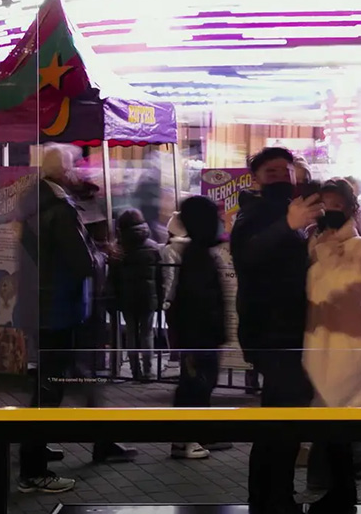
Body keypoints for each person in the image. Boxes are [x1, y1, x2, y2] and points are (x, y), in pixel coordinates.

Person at [17, 144, 136, 495]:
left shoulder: (32, 202)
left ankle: (38, 450)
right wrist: (103, 255)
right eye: (73, 167)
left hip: (42, 304)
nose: (77, 173)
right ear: (63, 172)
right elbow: (81, 262)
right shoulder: (59, 208)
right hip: (59, 307)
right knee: (51, 386)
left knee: (53, 380)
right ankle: (33, 468)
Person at [231, 146, 323, 514]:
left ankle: (273, 495)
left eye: (285, 171)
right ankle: (273, 497)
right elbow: (247, 256)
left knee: (282, 417)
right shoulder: (253, 213)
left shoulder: (291, 209)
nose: (281, 177)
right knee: (281, 420)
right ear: (255, 178)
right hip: (270, 330)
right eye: (271, 172)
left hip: (291, 328)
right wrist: (289, 225)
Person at [303, 178, 361, 514]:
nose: (329, 211)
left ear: (350, 207)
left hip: (350, 343)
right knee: (327, 423)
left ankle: (343, 493)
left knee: (339, 421)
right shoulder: (314, 243)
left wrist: (323, 252)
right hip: (320, 340)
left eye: (336, 204)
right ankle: (337, 489)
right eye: (325, 204)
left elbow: (344, 288)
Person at [167, 195, 228, 460]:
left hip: (201, 333)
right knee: (196, 384)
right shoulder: (198, 256)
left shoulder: (198, 252)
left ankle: (198, 435)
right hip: (199, 334)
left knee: (200, 383)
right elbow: (197, 301)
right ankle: (186, 440)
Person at [110, 208, 161, 381]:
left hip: (127, 298)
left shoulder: (119, 251)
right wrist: (160, 298)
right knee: (147, 333)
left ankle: (134, 371)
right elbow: (160, 277)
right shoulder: (153, 248)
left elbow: (114, 278)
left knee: (131, 333)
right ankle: (148, 371)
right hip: (148, 297)